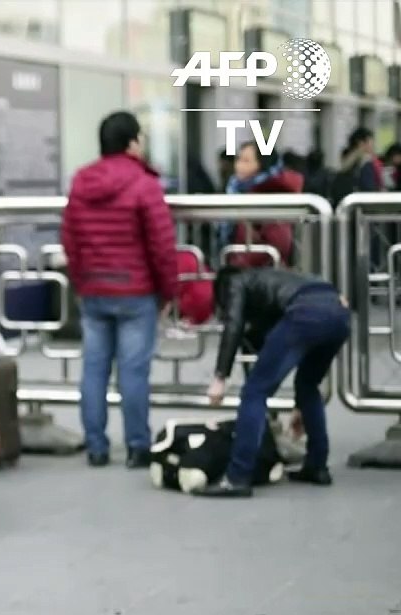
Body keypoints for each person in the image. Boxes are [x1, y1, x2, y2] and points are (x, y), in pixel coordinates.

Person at [61, 111, 178, 469]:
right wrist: (168, 291)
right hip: (135, 292)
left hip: (94, 290)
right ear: (132, 142)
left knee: (94, 370)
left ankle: (96, 447)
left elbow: (70, 238)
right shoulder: (144, 183)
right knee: (133, 372)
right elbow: (161, 243)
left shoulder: (82, 181)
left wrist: (82, 280)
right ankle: (137, 446)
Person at [203, 266, 350, 497]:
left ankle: (237, 477)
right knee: (308, 386)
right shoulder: (274, 276)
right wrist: (301, 406)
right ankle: (317, 465)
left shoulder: (236, 281)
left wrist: (221, 376)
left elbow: (234, 323)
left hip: (306, 311)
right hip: (339, 310)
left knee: (254, 392)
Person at [218, 141, 303, 268]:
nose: (238, 166)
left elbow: (279, 243)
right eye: (238, 159)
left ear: (262, 165)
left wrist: (242, 263)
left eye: (246, 161)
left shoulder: (270, 195)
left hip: (260, 275)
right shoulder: (238, 192)